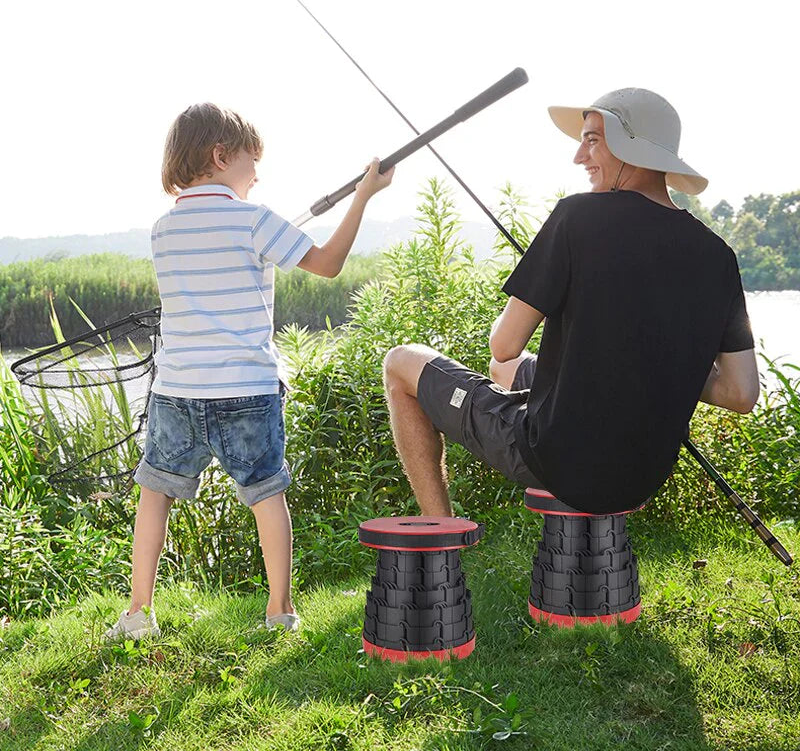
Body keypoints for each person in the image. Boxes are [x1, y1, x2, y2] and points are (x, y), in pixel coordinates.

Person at [383, 88, 758, 518]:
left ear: (632, 147)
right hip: (642, 475)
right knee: (507, 372)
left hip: (557, 461)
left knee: (400, 363)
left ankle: (439, 526)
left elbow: (502, 344)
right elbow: (740, 393)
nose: (579, 157)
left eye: (592, 140)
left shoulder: (577, 216)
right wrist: (663, 361)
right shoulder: (718, 255)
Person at [106, 103, 393, 640]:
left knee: (155, 493)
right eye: (250, 160)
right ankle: (279, 611)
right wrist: (363, 196)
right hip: (246, 389)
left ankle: (138, 612)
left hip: (177, 391)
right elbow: (328, 263)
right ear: (221, 156)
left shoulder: (162, 229)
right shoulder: (254, 219)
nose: (257, 174)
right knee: (266, 494)